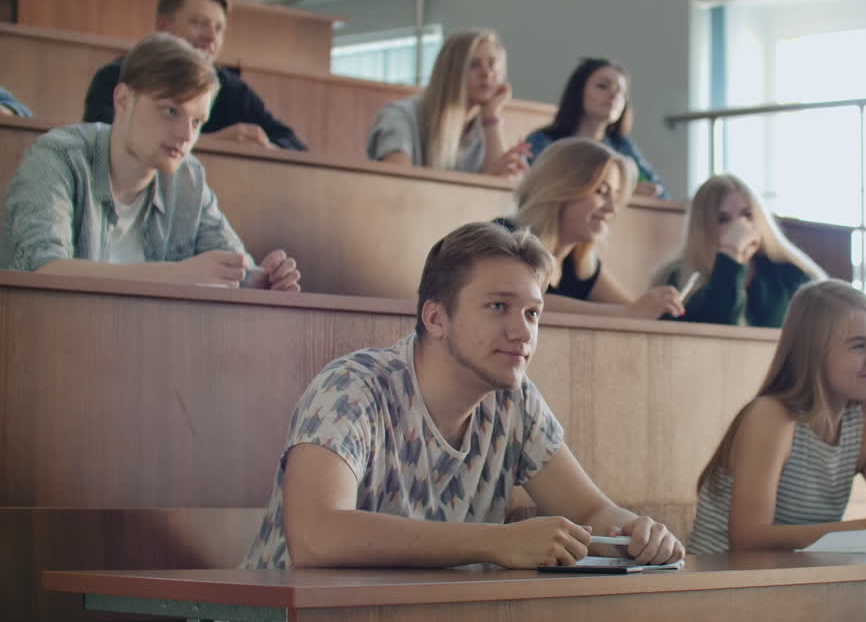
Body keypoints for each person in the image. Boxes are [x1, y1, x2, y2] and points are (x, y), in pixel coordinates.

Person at [234, 222, 684, 577]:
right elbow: (316, 536)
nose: (523, 331)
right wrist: (496, 542)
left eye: (532, 313)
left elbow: (590, 510)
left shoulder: (516, 401)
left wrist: (638, 532)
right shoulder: (352, 388)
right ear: (436, 317)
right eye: (498, 307)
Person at [1, 33, 301, 291]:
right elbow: (42, 272)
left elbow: (228, 262)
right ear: (122, 100)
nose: (186, 135)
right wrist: (178, 276)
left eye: (197, 122)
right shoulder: (58, 157)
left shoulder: (189, 177)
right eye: (170, 111)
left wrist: (258, 279)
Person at [687, 281, 866, 554]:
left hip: (792, 586)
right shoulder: (772, 416)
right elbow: (747, 539)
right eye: (859, 346)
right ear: (815, 354)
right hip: (720, 586)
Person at [83, 0, 306, 151]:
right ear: (163, 27)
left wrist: (264, 147)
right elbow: (105, 141)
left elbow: (294, 147)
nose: (211, 38)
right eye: (199, 23)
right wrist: (208, 145)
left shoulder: (231, 87)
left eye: (219, 29)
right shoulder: (119, 76)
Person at [502, 138, 684, 319]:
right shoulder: (505, 238)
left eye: (616, 195)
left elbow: (634, 309)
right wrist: (629, 312)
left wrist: (656, 306)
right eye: (601, 192)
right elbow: (527, 300)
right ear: (560, 189)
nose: (612, 208)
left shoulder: (581, 260)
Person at [654, 174, 825, 327]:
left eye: (747, 215)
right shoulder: (677, 281)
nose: (739, 228)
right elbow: (718, 331)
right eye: (723, 219)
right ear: (703, 228)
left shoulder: (790, 274)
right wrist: (731, 255)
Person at [366, 28, 527, 177]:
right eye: (474, 65)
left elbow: (500, 191)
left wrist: (492, 117)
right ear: (451, 71)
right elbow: (400, 187)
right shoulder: (399, 117)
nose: (486, 73)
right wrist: (487, 176)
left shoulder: (487, 125)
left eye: (492, 64)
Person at [525, 58, 667, 198]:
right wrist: (623, 190)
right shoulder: (543, 141)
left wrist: (648, 191)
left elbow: (662, 194)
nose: (614, 95)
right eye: (602, 86)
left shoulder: (623, 147)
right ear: (578, 91)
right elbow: (533, 190)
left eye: (621, 91)